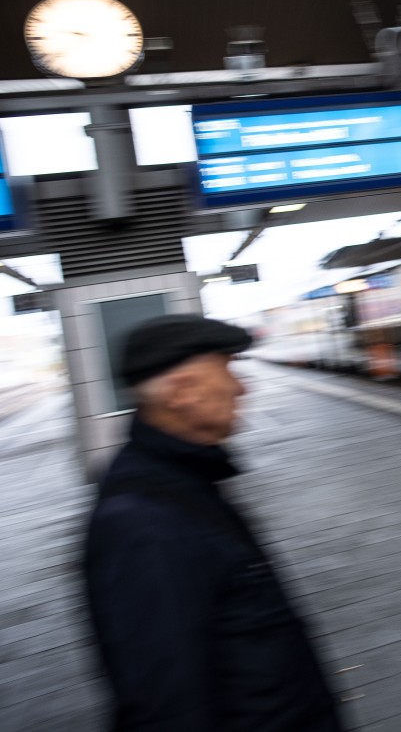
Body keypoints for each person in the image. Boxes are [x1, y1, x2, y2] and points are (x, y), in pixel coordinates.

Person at [83, 313, 344, 731]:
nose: (242, 387)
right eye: (226, 370)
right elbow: (167, 708)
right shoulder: (143, 524)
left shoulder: (186, 482)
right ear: (182, 392)